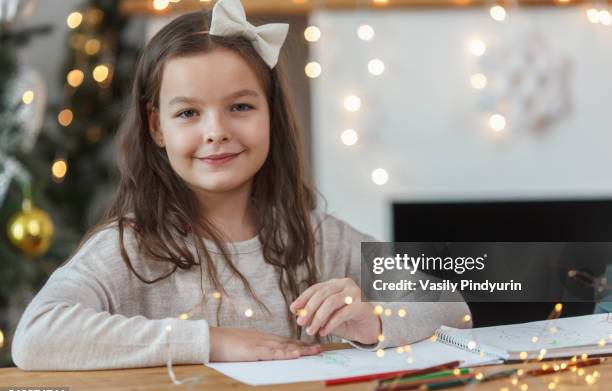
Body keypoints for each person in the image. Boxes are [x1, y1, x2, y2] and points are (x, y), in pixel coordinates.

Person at [11, 0, 471, 371]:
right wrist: (210, 343)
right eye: (188, 112)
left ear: (271, 113)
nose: (216, 131)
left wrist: (375, 320)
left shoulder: (320, 239)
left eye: (240, 107)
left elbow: (452, 307)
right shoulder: (130, 250)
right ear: (156, 128)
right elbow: (36, 337)